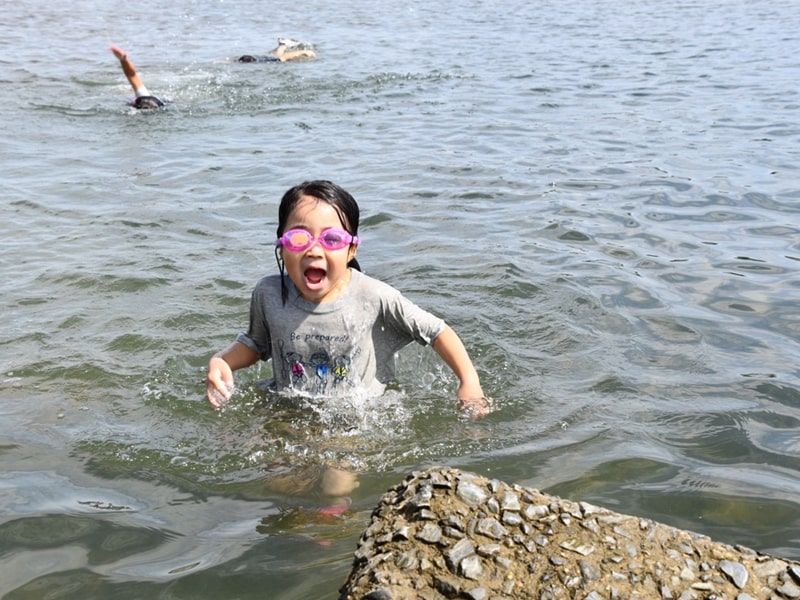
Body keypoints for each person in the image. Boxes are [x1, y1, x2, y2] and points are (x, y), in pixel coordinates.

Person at [205, 180, 492, 417]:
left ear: (351, 250)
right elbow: (256, 345)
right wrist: (222, 361)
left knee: (336, 486)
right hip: (289, 409)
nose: (314, 251)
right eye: (299, 238)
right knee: (279, 481)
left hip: (357, 417)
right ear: (281, 247)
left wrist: (470, 382)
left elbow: (437, 331)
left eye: (331, 240)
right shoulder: (268, 294)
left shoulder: (372, 295)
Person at [109, 44, 165, 109]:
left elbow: (132, 75)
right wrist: (123, 59)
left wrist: (123, 59)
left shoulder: (143, 98)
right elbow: (132, 76)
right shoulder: (145, 98)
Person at [237, 38, 317, 63]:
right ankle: (283, 44)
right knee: (278, 57)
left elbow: (284, 57)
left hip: (255, 59)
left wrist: (306, 52)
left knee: (281, 58)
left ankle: (305, 51)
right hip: (254, 58)